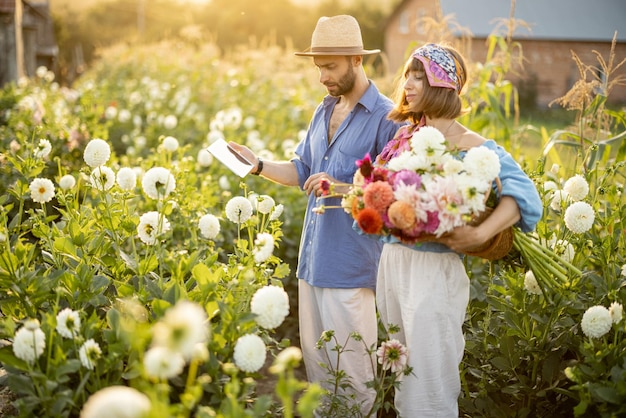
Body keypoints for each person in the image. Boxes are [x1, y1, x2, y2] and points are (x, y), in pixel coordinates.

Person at [228, 15, 404, 414]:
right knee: (321, 381)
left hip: (351, 267)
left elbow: (392, 195)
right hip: (312, 263)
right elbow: (303, 171)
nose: (322, 76)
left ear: (357, 60)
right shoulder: (323, 111)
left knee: (355, 380)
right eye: (318, 67)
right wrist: (258, 165)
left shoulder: (386, 119)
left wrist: (340, 186)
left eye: (330, 67)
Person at [372, 43, 543, 416]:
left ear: (442, 84)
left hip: (433, 271)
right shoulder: (403, 138)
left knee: (430, 380)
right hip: (392, 265)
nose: (409, 84)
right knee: (402, 376)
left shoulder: (472, 146)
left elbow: (525, 197)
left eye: (420, 76)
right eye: (407, 75)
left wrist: (482, 234)